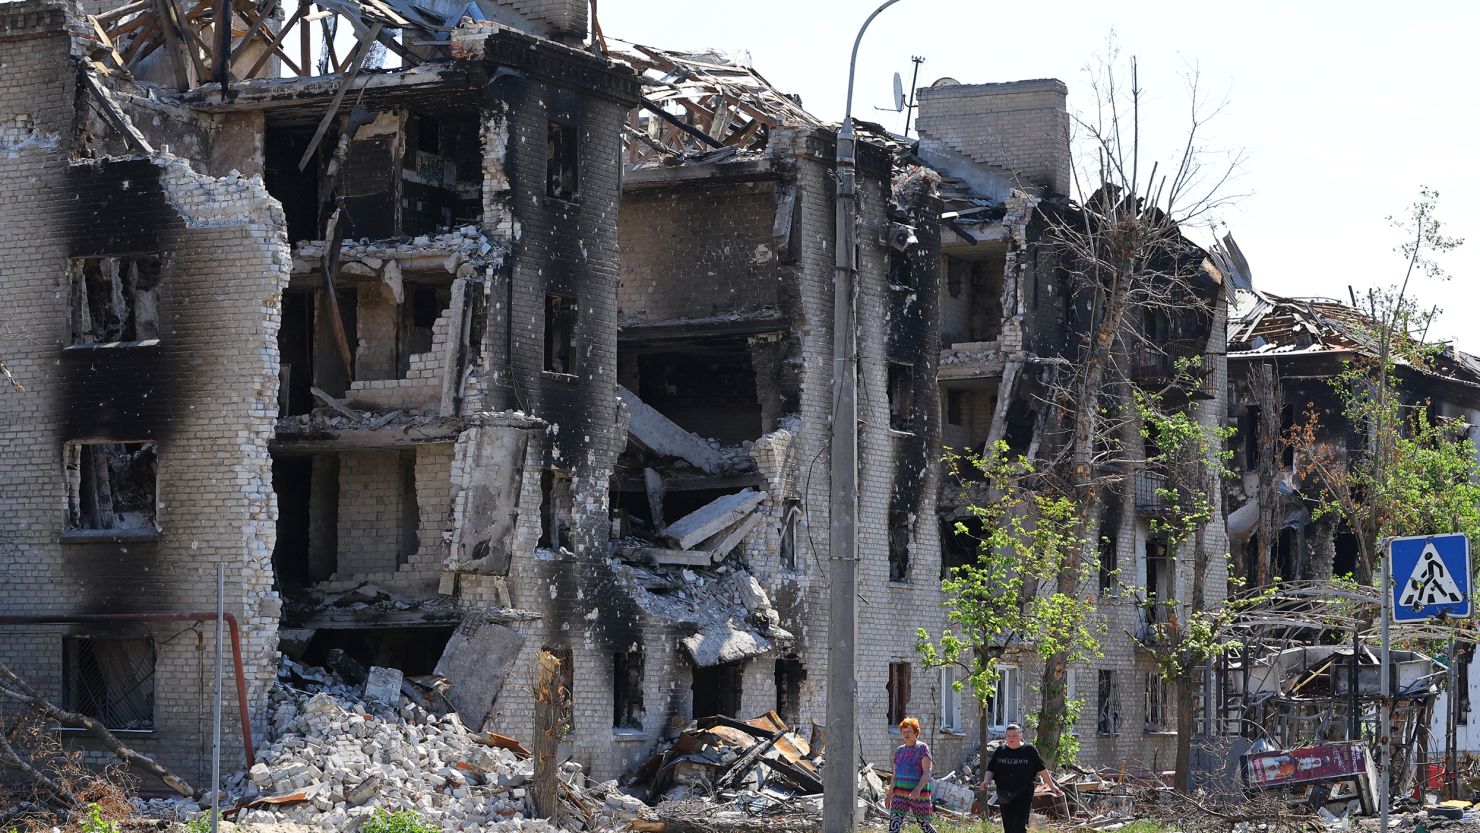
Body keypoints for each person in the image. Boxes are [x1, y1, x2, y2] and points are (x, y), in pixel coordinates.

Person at [981, 723, 1060, 833]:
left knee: (1019, 825)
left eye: (1014, 735)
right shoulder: (1000, 751)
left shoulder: (1029, 750)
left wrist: (1052, 786)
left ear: (1021, 735)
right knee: (1008, 827)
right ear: (1005, 736)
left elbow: (1042, 770)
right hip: (1004, 793)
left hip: (1023, 793)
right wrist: (985, 781)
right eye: (1008, 736)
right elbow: (991, 769)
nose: (1011, 738)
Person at [890, 717, 939, 833]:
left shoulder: (922, 748)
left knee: (924, 824)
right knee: (894, 825)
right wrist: (889, 794)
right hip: (899, 793)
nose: (906, 734)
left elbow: (927, 772)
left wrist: (917, 789)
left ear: (916, 732)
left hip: (919, 793)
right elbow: (895, 774)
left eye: (909, 731)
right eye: (903, 731)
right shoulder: (899, 750)